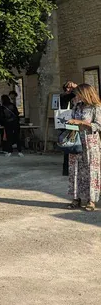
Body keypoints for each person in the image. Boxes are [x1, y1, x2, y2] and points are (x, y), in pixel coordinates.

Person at [66, 83, 101, 212]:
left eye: (79, 93)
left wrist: (81, 122)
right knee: (75, 169)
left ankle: (91, 200)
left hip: (90, 143)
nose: (77, 96)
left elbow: (98, 126)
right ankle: (76, 198)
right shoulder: (77, 106)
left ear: (85, 93)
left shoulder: (95, 107)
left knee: (91, 170)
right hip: (76, 141)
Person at [60, 81, 79, 176]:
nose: (69, 89)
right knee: (67, 144)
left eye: (70, 88)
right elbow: (70, 96)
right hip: (66, 123)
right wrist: (76, 87)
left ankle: (72, 167)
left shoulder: (75, 98)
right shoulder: (63, 96)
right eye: (67, 87)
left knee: (75, 144)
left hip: (75, 122)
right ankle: (66, 169)